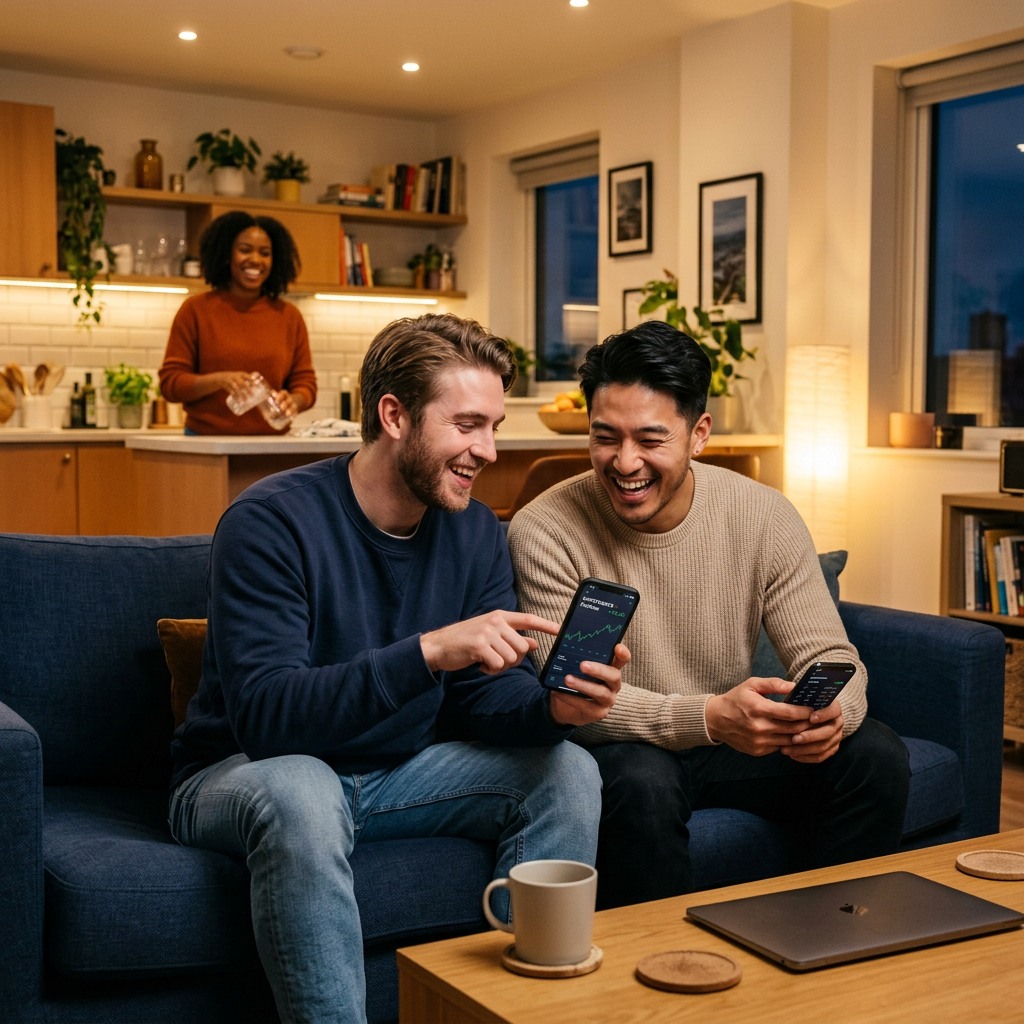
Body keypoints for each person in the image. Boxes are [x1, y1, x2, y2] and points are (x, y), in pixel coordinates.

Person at [167, 312, 626, 1023]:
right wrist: (428, 651)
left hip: (394, 774)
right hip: (243, 772)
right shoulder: (270, 522)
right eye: (468, 424)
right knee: (302, 786)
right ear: (393, 415)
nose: (489, 450)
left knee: (568, 770)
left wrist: (550, 710)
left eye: (495, 426)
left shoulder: (473, 530)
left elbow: (483, 698)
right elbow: (266, 717)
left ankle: (519, 1012)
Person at [507, 320, 910, 910]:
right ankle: (662, 976)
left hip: (732, 741)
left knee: (874, 752)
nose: (624, 463)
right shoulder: (546, 529)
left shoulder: (762, 515)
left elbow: (832, 654)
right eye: (605, 437)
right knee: (641, 783)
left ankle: (837, 944)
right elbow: (575, 701)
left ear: (698, 434)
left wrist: (834, 713)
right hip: (624, 745)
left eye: (650, 439)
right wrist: (712, 717)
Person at [158, 210, 317, 434]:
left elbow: (305, 384)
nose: (255, 259)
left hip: (273, 446)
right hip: (205, 444)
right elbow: (171, 385)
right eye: (244, 250)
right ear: (226, 255)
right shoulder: (195, 310)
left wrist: (294, 401)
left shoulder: (289, 316)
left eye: (265, 253)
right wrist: (220, 380)